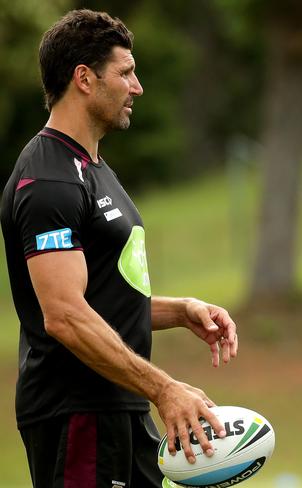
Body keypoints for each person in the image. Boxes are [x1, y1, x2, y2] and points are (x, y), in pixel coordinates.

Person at [0, 10, 238, 488]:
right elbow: (64, 314)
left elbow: (100, 298)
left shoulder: (93, 169)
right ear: (84, 79)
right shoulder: (49, 179)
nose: (137, 87)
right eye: (126, 72)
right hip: (78, 414)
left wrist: (181, 310)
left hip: (118, 406)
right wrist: (164, 389)